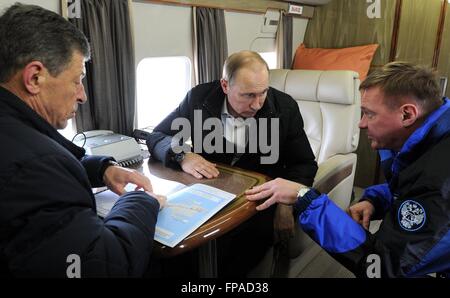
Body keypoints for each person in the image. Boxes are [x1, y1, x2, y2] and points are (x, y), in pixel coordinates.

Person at [0, 3, 165, 277]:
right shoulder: (34, 169)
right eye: (77, 80)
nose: (82, 95)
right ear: (35, 77)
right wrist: (140, 202)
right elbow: (106, 265)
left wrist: (102, 169)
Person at [246, 61, 450, 277]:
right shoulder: (432, 146)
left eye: (369, 114)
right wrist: (375, 200)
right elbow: (411, 190)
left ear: (407, 115)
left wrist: (304, 197)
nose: (361, 124)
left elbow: (381, 268)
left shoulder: (439, 177)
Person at [146, 51, 317, 277]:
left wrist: (286, 205)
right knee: (171, 246)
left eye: (263, 93)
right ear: (225, 86)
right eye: (248, 95)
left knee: (234, 255)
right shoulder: (199, 99)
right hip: (210, 193)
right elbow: (157, 136)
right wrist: (183, 156)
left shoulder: (284, 108)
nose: (257, 104)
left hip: (261, 199)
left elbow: (304, 164)